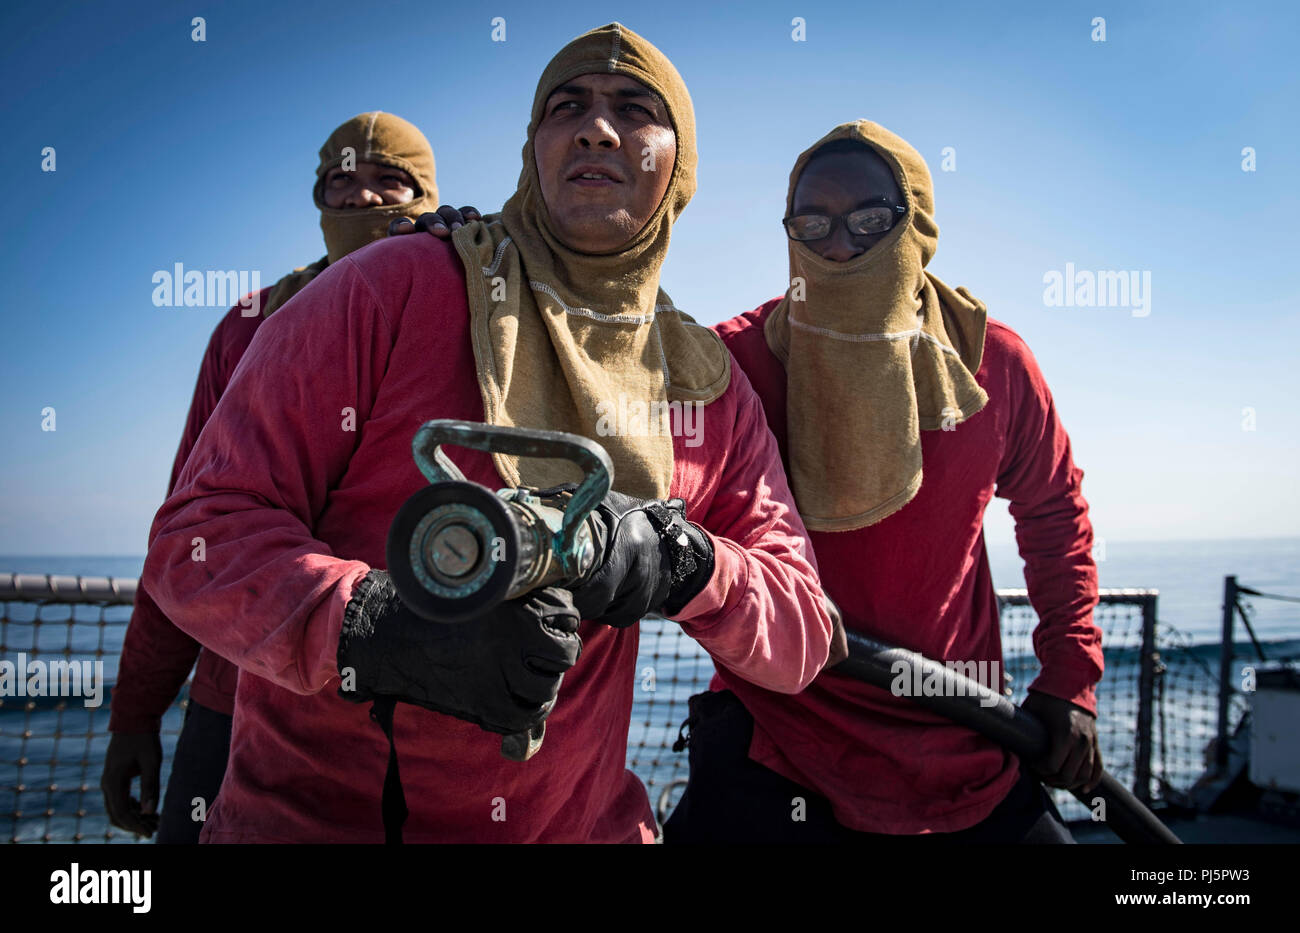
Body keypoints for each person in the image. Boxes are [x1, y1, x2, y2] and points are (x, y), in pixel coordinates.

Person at [140, 23, 834, 844]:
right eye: (565, 106)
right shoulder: (389, 288)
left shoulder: (704, 383)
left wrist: (678, 563)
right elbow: (197, 533)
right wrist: (374, 627)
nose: (595, 127)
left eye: (635, 109)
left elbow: (803, 634)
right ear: (533, 149)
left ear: (678, 166)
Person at [662, 121, 1104, 843]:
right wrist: (442, 250)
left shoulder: (994, 365)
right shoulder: (732, 361)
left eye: (870, 221)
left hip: (962, 732)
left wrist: (1069, 678)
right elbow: (619, 397)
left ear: (917, 226)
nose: (838, 246)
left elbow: (1055, 514)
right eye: (813, 222)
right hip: (780, 732)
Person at [102, 112, 441, 843]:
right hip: (233, 694)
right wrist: (135, 714)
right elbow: (191, 531)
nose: (360, 199)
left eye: (390, 181)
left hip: (415, 703)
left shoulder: (473, 304)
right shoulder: (250, 325)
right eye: (339, 181)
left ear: (430, 195)